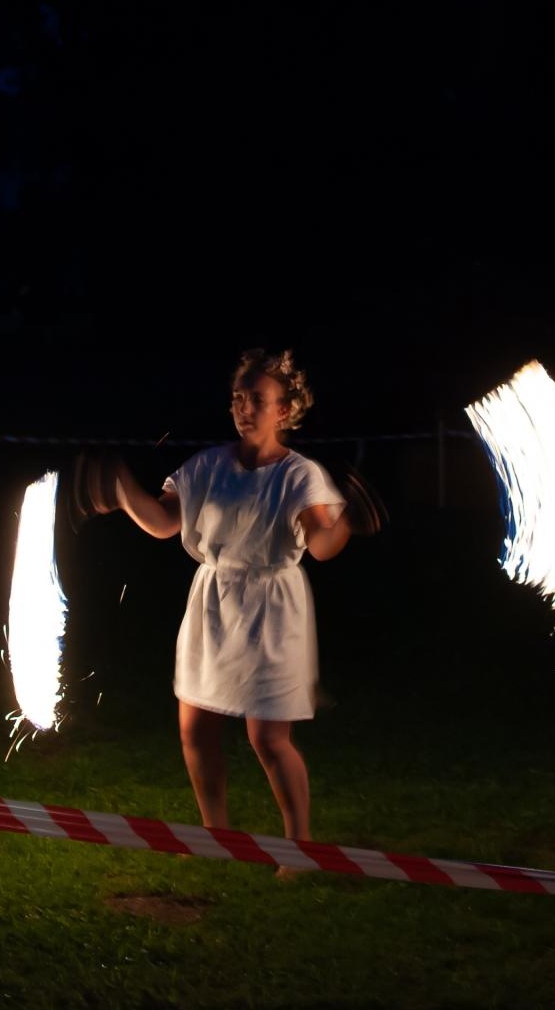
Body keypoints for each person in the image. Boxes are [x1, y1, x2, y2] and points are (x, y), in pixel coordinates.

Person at [105, 348, 363, 869]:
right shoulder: (206, 466)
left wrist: (347, 523)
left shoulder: (299, 476)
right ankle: (214, 838)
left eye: (257, 400)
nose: (244, 409)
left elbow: (320, 544)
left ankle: (300, 847)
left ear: (284, 411)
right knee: (194, 728)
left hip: (272, 608)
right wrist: (119, 488)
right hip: (213, 602)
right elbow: (162, 522)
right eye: (237, 399)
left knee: (267, 737)